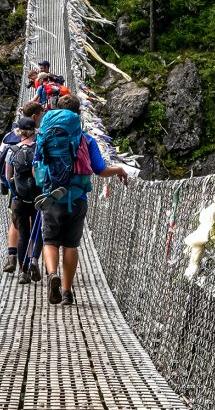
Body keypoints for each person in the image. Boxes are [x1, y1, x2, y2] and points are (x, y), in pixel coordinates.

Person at [35, 94, 128, 305]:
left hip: (52, 197)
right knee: (71, 245)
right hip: (77, 198)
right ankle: (67, 292)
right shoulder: (86, 139)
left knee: (50, 241)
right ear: (78, 114)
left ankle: (52, 275)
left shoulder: (45, 135)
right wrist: (119, 169)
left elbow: (37, 167)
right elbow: (100, 169)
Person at [0, 101, 45, 272]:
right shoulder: (39, 146)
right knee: (38, 230)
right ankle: (34, 260)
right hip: (38, 196)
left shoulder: (11, 148)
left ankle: (22, 271)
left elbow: (6, 175)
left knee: (22, 232)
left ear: (18, 131)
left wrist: (9, 187)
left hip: (19, 197)